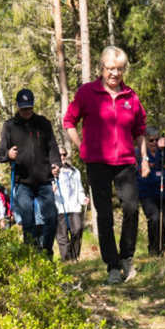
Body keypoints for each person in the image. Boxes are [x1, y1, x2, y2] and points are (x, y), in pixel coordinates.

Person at [64, 45, 150, 285]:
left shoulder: (131, 97)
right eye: (110, 68)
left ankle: (126, 258)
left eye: (120, 69)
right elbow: (69, 121)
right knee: (104, 215)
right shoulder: (86, 93)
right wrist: (81, 146)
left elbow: (139, 131)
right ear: (101, 68)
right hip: (97, 162)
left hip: (125, 162)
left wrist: (143, 158)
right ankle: (112, 266)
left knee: (131, 208)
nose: (115, 73)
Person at [0, 89, 61, 256]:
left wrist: (56, 163)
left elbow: (52, 147)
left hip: (44, 180)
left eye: (29, 108)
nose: (26, 111)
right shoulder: (9, 126)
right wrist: (8, 155)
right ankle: (32, 255)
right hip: (21, 183)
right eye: (23, 108)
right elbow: (1, 155)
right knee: (28, 221)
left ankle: (46, 250)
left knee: (52, 218)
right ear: (17, 106)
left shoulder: (43, 123)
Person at [136, 126, 165, 257]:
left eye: (157, 140)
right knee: (154, 218)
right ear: (145, 140)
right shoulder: (139, 154)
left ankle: (161, 251)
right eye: (151, 140)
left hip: (164, 192)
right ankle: (153, 250)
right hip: (147, 193)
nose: (154, 143)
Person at [54, 147, 89, 262]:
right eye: (59, 155)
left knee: (77, 230)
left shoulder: (75, 171)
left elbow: (79, 189)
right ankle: (66, 259)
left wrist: (83, 199)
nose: (62, 157)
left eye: (64, 154)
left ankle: (74, 256)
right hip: (59, 208)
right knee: (62, 236)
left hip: (74, 207)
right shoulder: (51, 173)